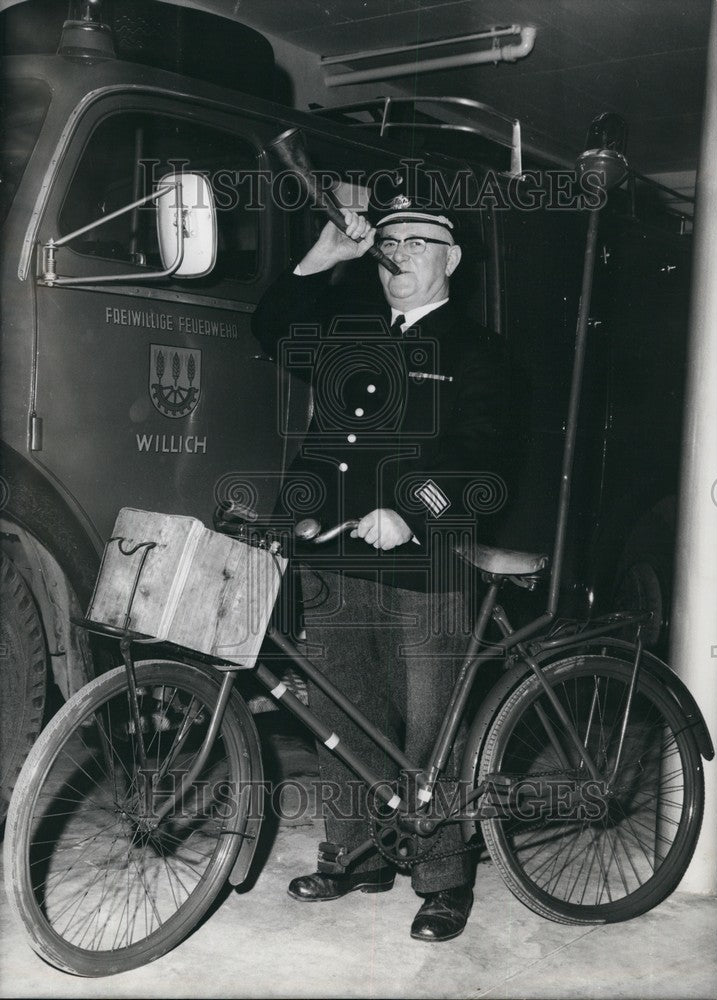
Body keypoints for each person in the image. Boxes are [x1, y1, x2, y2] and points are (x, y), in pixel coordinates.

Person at [252, 195, 515, 942]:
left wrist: (411, 511)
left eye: (418, 242)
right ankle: (356, 854)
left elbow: (483, 454)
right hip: (333, 553)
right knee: (340, 715)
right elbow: (270, 329)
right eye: (389, 241)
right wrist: (322, 256)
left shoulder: (479, 351)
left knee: (430, 730)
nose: (399, 253)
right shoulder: (350, 332)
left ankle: (443, 877)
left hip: (425, 566)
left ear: (450, 259)